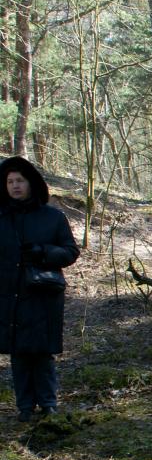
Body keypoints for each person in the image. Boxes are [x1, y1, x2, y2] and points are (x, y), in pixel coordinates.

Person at [0, 156, 80, 422]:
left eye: (20, 181)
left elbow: (70, 252)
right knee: (18, 354)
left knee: (42, 353)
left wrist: (43, 252)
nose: (15, 186)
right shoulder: (1, 217)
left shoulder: (52, 217)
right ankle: (24, 407)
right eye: (10, 181)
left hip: (43, 293)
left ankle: (48, 404)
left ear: (31, 183)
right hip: (9, 294)